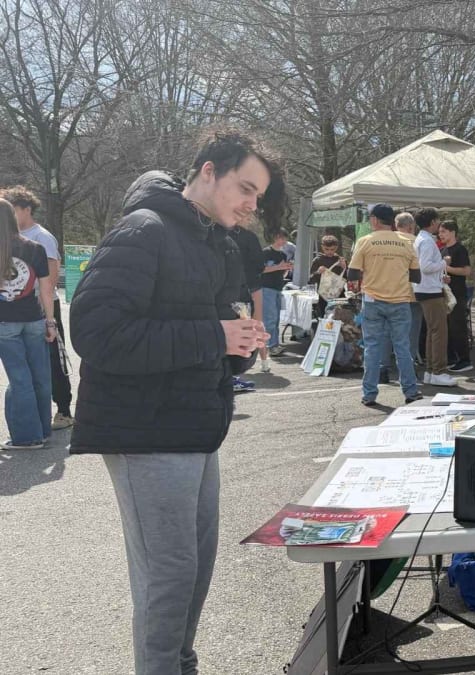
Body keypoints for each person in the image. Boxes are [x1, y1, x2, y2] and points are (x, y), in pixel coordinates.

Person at [70, 128, 276, 675]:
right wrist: (215, 336)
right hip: (145, 431)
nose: (252, 204)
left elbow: (210, 328)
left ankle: (181, 666)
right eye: (245, 188)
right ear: (208, 171)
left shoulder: (216, 240)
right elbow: (95, 332)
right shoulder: (144, 229)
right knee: (170, 574)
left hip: (196, 427)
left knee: (195, 569)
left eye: (258, 196)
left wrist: (239, 347)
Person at [3, 185, 73, 430]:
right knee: (28, 370)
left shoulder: (41, 237)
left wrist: (46, 314)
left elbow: (51, 278)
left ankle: (63, 409)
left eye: (14, 209)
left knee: (51, 362)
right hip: (22, 308)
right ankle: (38, 421)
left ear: (26, 209)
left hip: (42, 305)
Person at [347, 203, 423, 406]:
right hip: (401, 301)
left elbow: (352, 273)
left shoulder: (365, 241)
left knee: (372, 348)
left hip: (373, 301)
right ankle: (411, 391)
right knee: (402, 347)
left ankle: (369, 394)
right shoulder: (408, 242)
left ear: (374, 220)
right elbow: (416, 277)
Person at [0, 198, 54, 449]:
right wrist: (51, 322)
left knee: (20, 379)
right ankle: (43, 430)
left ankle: (27, 437)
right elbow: (46, 289)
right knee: (40, 376)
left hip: (5, 322)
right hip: (34, 317)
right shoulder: (34, 248)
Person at [413, 207, 455, 386]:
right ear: (431, 223)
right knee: (439, 331)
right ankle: (438, 371)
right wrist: (443, 263)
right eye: (437, 221)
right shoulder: (427, 241)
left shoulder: (421, 239)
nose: (439, 224)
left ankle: (431, 371)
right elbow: (426, 266)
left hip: (424, 289)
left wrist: (440, 273)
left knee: (432, 331)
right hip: (430, 291)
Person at [230, 220, 265, 386]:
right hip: (248, 288)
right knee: (249, 326)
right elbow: (260, 264)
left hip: (224, 289)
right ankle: (236, 371)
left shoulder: (215, 233)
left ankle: (230, 374)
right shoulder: (249, 237)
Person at [439, 219, 472, 372]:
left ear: (453, 232)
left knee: (458, 327)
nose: (441, 235)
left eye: (444, 231)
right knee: (449, 328)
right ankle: (453, 358)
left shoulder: (460, 249)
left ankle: (465, 360)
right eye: (439, 232)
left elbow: (466, 271)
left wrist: (449, 268)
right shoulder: (443, 250)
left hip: (458, 293)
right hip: (446, 293)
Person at [394, 212, 424, 365]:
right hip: (412, 292)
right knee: (412, 330)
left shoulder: (389, 240)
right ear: (412, 227)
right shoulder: (416, 242)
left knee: (391, 330)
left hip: (390, 293)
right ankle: (409, 362)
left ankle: (385, 364)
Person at [260, 230, 293, 362]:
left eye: (285, 238)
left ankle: (274, 344)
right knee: (270, 317)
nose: (284, 241)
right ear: (275, 238)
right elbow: (261, 269)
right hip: (266, 288)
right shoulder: (265, 253)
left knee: (277, 318)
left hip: (278, 288)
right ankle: (271, 345)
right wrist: (278, 267)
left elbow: (283, 274)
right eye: (282, 238)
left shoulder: (283, 254)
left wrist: (286, 269)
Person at [309, 234, 346, 319]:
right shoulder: (318, 260)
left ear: (336, 248)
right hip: (323, 296)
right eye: (327, 249)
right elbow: (311, 279)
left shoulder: (340, 260)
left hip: (338, 295)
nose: (329, 252)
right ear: (322, 247)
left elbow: (346, 279)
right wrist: (318, 272)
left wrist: (344, 268)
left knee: (338, 318)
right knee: (323, 318)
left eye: (332, 249)